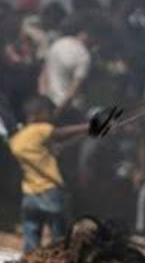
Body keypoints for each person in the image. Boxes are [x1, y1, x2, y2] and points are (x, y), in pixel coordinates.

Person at [8, 96, 87, 253]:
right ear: (40, 113)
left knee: (31, 237)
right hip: (51, 191)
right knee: (60, 239)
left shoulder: (16, 139)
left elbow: (43, 150)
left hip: (29, 195)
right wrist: (87, 126)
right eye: (50, 113)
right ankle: (61, 262)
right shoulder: (40, 129)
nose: (52, 118)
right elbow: (60, 133)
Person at [39, 13, 110, 119]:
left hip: (48, 102)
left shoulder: (58, 43)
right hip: (68, 109)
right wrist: (59, 111)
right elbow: (74, 89)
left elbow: (43, 74)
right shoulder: (83, 55)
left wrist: (42, 98)